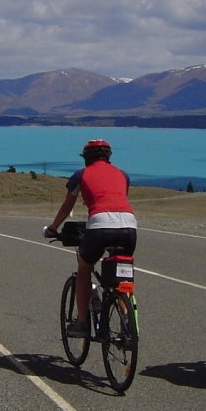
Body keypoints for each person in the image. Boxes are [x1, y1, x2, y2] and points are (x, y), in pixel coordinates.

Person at [44, 139, 137, 335]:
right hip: (129, 226)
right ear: (108, 156)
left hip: (100, 226)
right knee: (119, 275)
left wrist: (52, 228)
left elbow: (67, 206)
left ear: (86, 157)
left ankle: (82, 322)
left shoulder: (81, 175)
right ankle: (127, 319)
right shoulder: (123, 175)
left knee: (84, 268)